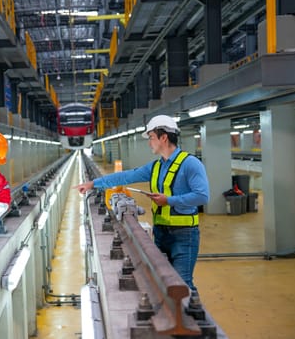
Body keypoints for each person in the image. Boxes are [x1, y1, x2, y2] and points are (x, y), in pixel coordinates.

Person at [73, 115, 209, 292]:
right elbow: (126, 176)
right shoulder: (157, 167)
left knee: (182, 285)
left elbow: (202, 196)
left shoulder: (191, 164)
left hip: (184, 235)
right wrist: (92, 184)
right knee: (163, 282)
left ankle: (188, 317)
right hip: (161, 233)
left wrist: (169, 200)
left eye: (151, 137)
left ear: (164, 137)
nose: (149, 142)